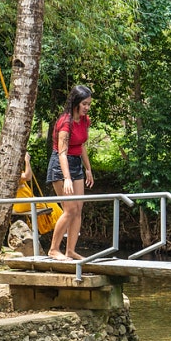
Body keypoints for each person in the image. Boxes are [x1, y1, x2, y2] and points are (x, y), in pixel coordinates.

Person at [45, 85, 94, 260]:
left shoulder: (84, 120)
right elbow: (62, 153)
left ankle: (71, 250)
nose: (87, 108)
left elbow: (81, 145)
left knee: (78, 209)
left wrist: (88, 168)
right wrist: (66, 178)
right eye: (84, 104)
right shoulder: (65, 123)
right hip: (60, 165)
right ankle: (53, 249)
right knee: (70, 209)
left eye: (89, 104)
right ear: (75, 103)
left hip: (76, 164)